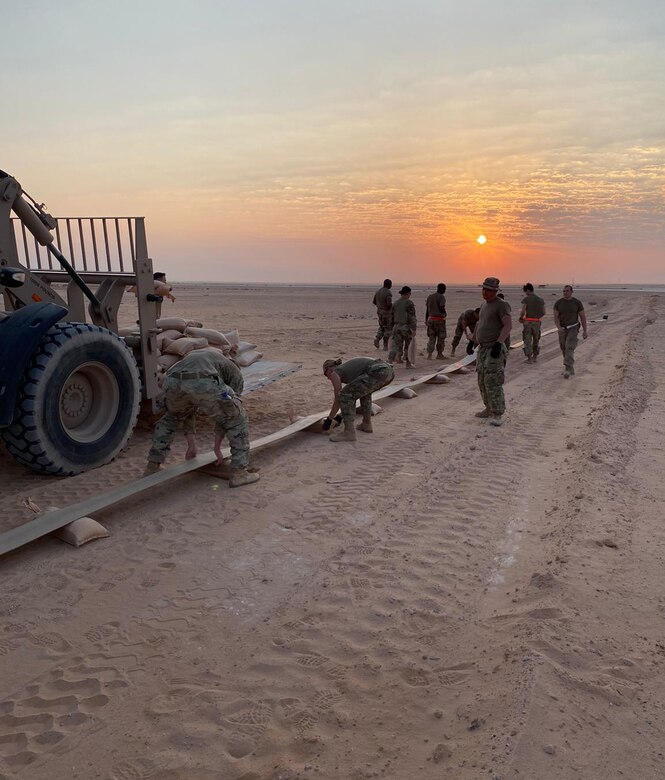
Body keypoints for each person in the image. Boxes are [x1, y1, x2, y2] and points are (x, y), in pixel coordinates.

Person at [144, 348, 259, 487]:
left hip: (172, 382)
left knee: (172, 419)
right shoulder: (235, 372)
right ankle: (240, 473)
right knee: (237, 419)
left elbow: (189, 409)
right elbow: (227, 415)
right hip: (200, 380)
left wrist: (191, 445)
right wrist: (217, 448)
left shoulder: (204, 357)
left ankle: (152, 466)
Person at [322, 357, 394, 442]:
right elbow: (355, 393)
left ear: (329, 370)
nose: (328, 378)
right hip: (388, 371)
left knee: (344, 395)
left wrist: (329, 420)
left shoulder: (335, 373)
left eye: (326, 374)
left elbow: (339, 398)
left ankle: (349, 432)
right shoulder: (348, 370)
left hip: (377, 371)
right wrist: (339, 417)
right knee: (364, 393)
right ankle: (366, 424)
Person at [473, 277, 512, 426]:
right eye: (484, 289)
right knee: (482, 380)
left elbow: (507, 326)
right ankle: (488, 408)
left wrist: (498, 343)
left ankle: (497, 413)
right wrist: (473, 341)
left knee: (493, 381)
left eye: (489, 290)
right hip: (482, 348)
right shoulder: (484, 305)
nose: (485, 292)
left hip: (494, 348)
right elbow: (480, 323)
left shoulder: (501, 305)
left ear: (495, 291)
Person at [553, 285, 588, 378]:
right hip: (563, 329)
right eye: (564, 291)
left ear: (572, 292)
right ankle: (570, 367)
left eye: (567, 291)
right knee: (563, 348)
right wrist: (559, 327)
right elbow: (556, 317)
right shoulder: (558, 303)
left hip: (573, 327)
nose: (565, 292)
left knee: (569, 347)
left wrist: (585, 331)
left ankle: (567, 368)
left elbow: (582, 317)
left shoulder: (577, 303)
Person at [388, 286, 417, 368]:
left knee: (395, 345)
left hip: (396, 326)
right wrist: (413, 329)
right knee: (407, 345)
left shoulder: (396, 303)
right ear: (408, 293)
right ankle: (408, 363)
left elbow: (392, 316)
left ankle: (390, 361)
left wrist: (391, 327)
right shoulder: (409, 303)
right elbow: (412, 317)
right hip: (406, 327)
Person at [519, 283, 546, 364]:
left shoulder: (526, 299)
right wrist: (537, 317)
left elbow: (523, 311)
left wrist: (521, 318)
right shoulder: (541, 300)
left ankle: (529, 358)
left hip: (528, 322)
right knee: (536, 340)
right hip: (537, 322)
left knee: (527, 340)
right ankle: (535, 357)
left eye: (525, 291)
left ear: (528, 290)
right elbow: (544, 312)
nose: (525, 293)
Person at [425, 283, 447, 360]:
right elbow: (441, 307)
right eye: (444, 289)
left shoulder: (430, 297)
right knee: (441, 338)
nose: (445, 291)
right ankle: (439, 354)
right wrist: (444, 313)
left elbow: (427, 310)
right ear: (442, 289)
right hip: (439, 320)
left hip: (431, 319)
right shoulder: (441, 297)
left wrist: (426, 320)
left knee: (431, 338)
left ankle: (429, 354)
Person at [372, 279, 393, 350]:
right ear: (389, 285)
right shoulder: (388, 293)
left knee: (381, 327)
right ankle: (385, 345)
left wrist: (380, 306)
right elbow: (389, 304)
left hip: (379, 312)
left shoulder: (378, 291)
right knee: (388, 329)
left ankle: (377, 339)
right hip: (386, 313)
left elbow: (374, 302)